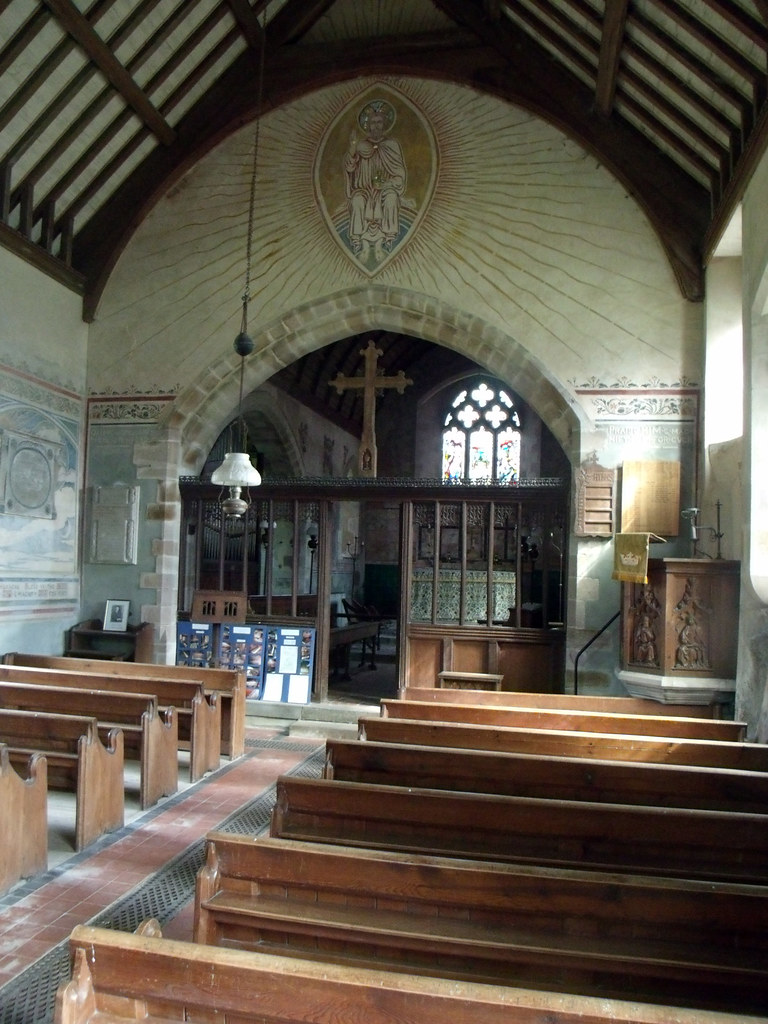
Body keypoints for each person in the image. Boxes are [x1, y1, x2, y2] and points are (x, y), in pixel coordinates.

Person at [344, 100, 407, 260]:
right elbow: (350, 168)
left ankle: (389, 238)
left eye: (379, 122)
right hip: (364, 190)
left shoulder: (391, 145)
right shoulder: (361, 146)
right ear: (368, 125)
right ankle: (357, 240)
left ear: (384, 124)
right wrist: (352, 147)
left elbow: (400, 174)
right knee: (357, 200)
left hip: (385, 189)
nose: (376, 126)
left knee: (392, 197)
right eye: (373, 122)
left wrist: (388, 184)